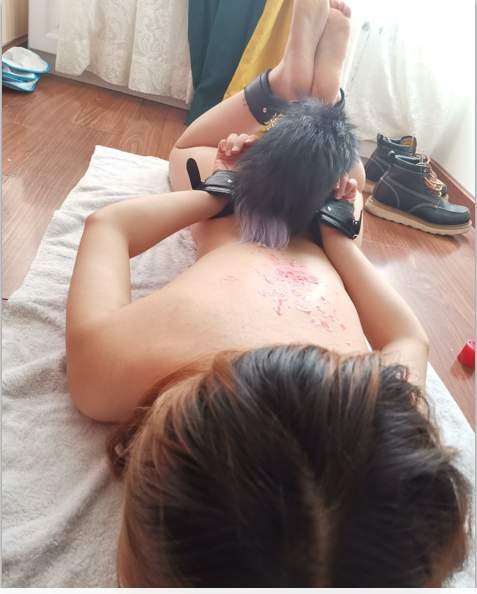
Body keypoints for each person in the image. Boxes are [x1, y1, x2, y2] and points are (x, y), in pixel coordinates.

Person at [65, 0, 470, 587]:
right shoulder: (112, 370)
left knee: (193, 155)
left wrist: (232, 193)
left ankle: (301, 90)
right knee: (258, 169)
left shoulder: (377, 398)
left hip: (294, 225)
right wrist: (246, 201)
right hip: (284, 228)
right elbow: (111, 229)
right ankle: (318, 96)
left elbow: (409, 339)